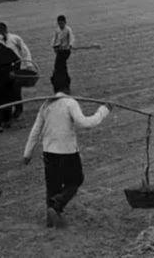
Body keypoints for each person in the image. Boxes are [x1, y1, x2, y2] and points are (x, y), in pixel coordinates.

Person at [22, 73, 111, 228]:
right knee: (76, 180)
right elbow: (86, 123)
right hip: (67, 151)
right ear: (68, 87)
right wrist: (104, 110)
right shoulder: (70, 103)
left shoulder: (46, 104)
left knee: (52, 186)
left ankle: (51, 220)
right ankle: (58, 204)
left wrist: (27, 153)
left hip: (49, 151)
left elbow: (36, 130)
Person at [0, 22, 34, 119]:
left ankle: (18, 110)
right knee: (6, 91)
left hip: (16, 68)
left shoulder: (15, 39)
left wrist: (28, 64)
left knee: (16, 91)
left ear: (5, 30)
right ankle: (7, 112)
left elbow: (25, 51)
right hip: (4, 70)